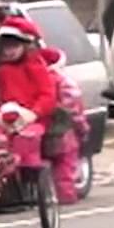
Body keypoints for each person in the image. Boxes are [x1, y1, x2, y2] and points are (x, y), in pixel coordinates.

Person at [0, 17, 59, 171]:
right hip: (6, 119)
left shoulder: (35, 66)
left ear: (25, 45)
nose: (9, 51)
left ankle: (31, 178)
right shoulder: (0, 71)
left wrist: (34, 113)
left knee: (27, 140)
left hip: (33, 119)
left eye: (14, 46)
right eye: (5, 47)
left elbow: (47, 95)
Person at [39, 46, 92, 204]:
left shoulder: (35, 80)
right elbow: (75, 109)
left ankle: (46, 195)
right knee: (64, 167)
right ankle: (65, 197)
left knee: (44, 164)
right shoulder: (63, 82)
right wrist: (83, 128)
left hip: (42, 129)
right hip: (64, 132)